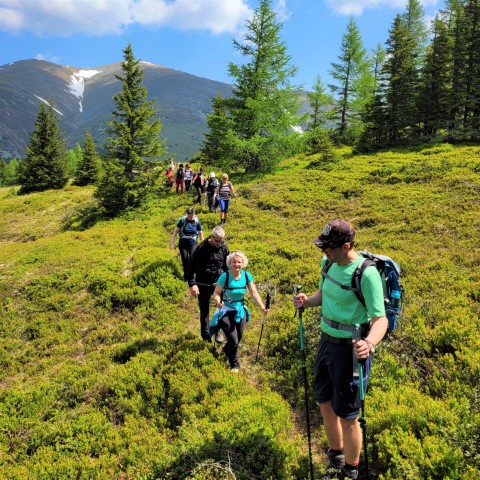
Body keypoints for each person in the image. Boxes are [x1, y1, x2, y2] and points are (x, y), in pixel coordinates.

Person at [292, 219, 388, 480]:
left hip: (350, 351)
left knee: (348, 415)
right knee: (325, 402)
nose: (324, 253)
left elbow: (380, 319)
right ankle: (336, 456)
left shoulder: (366, 274)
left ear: (346, 246)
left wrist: (368, 344)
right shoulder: (328, 264)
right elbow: (323, 294)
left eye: (329, 248)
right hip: (326, 343)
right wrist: (307, 301)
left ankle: (351, 470)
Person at [210, 251, 268, 373]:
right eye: (234, 262)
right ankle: (234, 364)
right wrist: (218, 301)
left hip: (240, 309)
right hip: (225, 310)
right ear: (229, 263)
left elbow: (254, 293)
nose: (237, 264)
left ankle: (227, 350)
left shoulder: (247, 276)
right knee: (233, 339)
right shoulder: (224, 276)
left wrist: (262, 307)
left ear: (243, 263)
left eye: (239, 262)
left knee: (239, 335)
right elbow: (216, 292)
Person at [186, 226, 229, 343]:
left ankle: (218, 331)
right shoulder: (200, 248)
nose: (220, 243)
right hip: (203, 283)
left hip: (218, 283)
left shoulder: (224, 247)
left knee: (220, 307)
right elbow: (190, 266)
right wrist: (192, 284)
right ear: (212, 237)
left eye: (222, 240)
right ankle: (206, 337)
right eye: (218, 241)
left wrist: (227, 281)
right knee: (204, 311)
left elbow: (226, 266)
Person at [170, 207, 204, 281]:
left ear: (194, 214)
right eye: (189, 215)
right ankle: (186, 276)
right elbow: (175, 231)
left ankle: (192, 276)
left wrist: (202, 243)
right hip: (183, 243)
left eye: (192, 215)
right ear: (187, 214)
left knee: (192, 258)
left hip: (193, 242)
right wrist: (172, 242)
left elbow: (200, 233)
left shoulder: (196, 221)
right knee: (185, 260)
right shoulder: (182, 220)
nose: (190, 216)